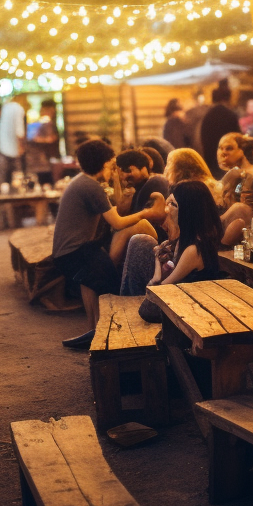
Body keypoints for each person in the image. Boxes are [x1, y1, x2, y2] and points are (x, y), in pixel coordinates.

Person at [53, 139, 165, 349]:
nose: (114, 170)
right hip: (74, 252)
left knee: (96, 277)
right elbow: (118, 221)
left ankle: (95, 331)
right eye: (112, 165)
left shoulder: (83, 181)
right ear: (104, 165)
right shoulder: (91, 187)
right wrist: (148, 213)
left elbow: (119, 210)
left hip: (72, 251)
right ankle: (101, 334)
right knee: (112, 286)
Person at [120, 180, 223, 297]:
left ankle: (129, 300)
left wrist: (157, 262)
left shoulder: (194, 250)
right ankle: (129, 299)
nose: (167, 209)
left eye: (173, 205)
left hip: (183, 305)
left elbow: (161, 288)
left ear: (188, 211)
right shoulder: (187, 239)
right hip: (173, 296)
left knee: (140, 241)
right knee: (139, 241)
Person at [215, 132, 253, 244]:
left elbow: (245, 210)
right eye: (220, 148)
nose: (223, 153)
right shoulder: (234, 173)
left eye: (229, 148)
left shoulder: (249, 175)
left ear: (242, 151)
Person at [114, 148, 169, 240]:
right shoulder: (136, 189)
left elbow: (147, 221)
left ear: (143, 169)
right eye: (121, 172)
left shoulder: (156, 182)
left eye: (128, 170)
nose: (123, 176)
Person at [199, 81, 241, 179]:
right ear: (227, 98)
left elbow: (203, 138)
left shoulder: (208, 116)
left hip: (211, 159)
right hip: (228, 160)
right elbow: (237, 138)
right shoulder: (230, 115)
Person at [26, 99, 60, 185]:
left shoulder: (46, 121)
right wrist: (49, 139)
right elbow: (32, 138)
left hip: (44, 160)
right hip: (39, 161)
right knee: (45, 183)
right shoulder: (42, 122)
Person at [0, 94, 27, 185]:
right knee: (17, 175)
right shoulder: (18, 109)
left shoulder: (5, 108)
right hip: (15, 148)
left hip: (2, 148)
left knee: (4, 177)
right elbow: (19, 131)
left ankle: (4, 195)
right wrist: (21, 146)